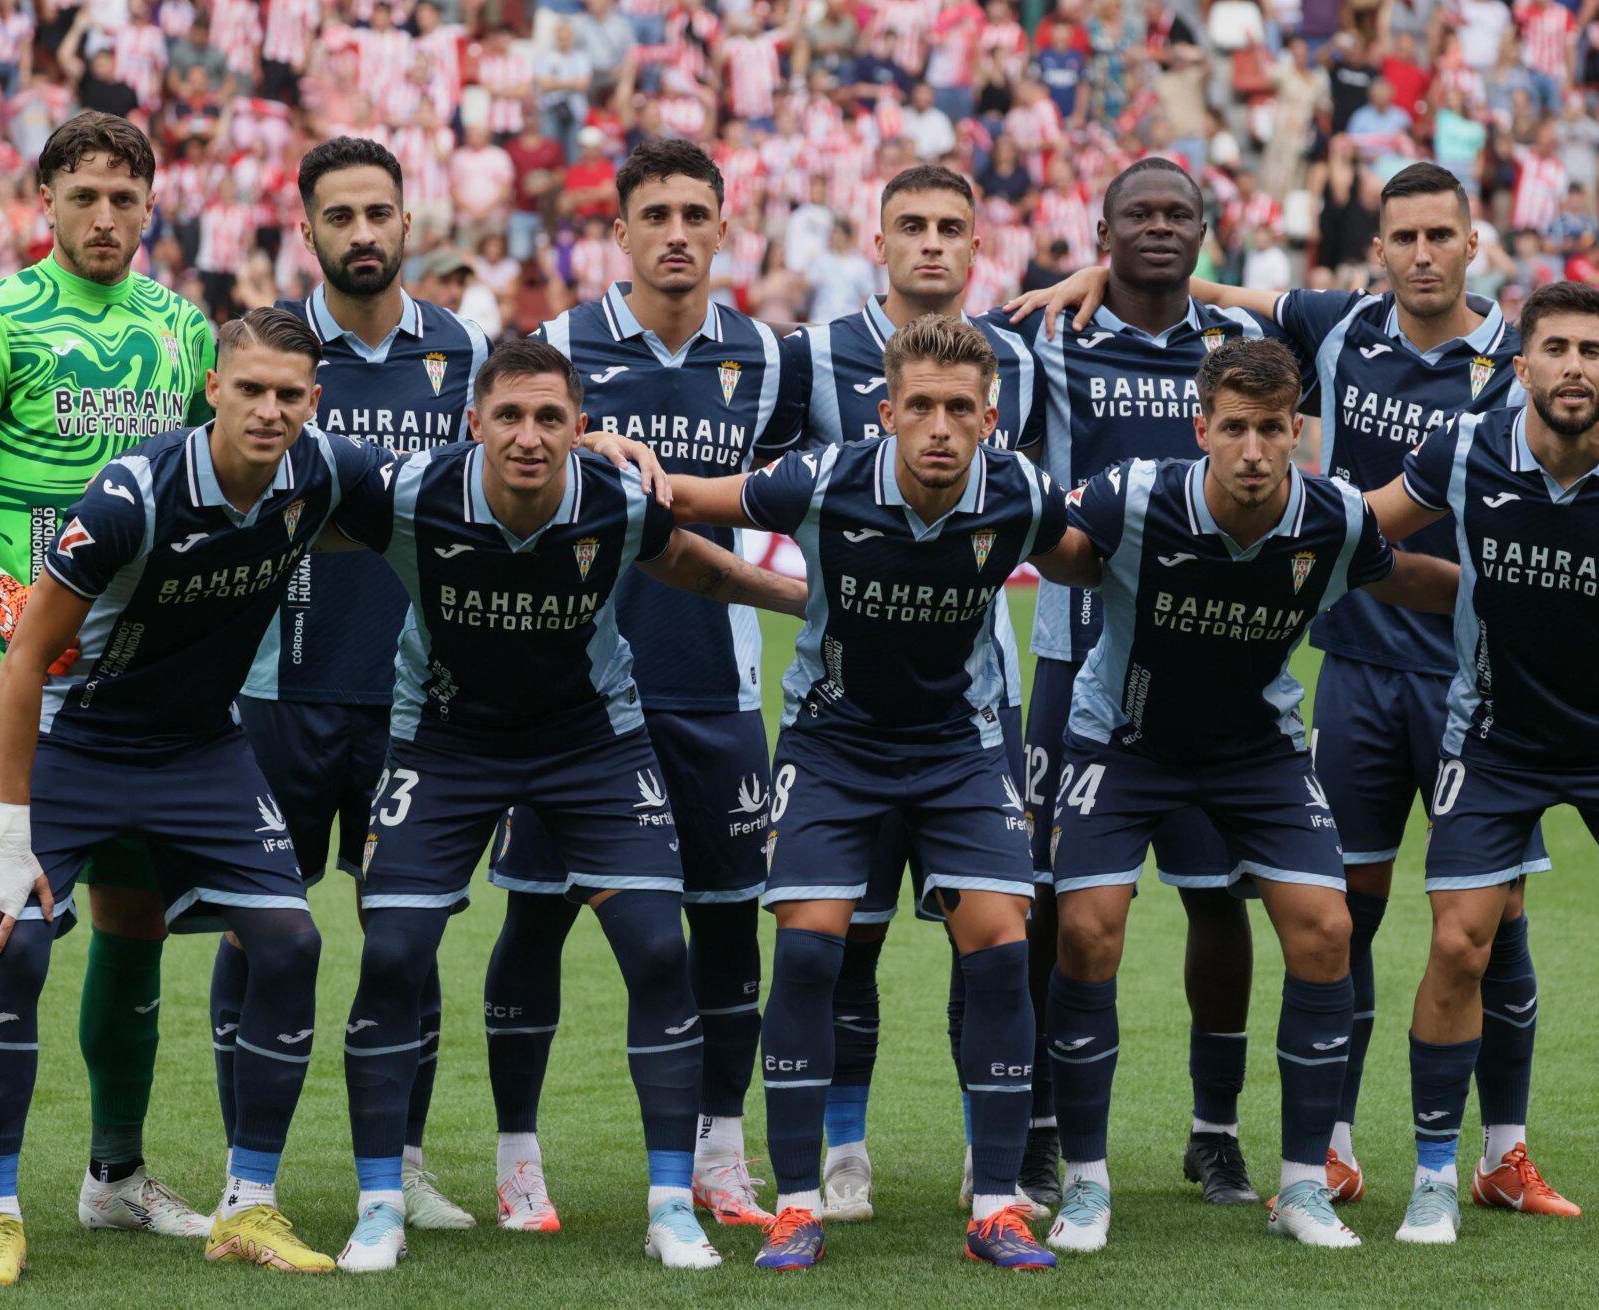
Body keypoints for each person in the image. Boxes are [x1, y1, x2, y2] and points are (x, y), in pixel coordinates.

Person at [1007, 161, 1569, 1214]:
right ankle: (1290, 1149)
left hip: (1457, 674)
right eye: (1402, 236)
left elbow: (1497, 505)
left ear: (1472, 242)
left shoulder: (1514, 360)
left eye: (1438, 234)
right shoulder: (1336, 327)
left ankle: (1482, 1148)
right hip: (1300, 668)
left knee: (1483, 915)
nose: (1420, 254)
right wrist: (1098, 270)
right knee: (1292, 913)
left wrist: (1537, 602)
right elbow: (1195, 284)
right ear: (1378, 250)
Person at [329, 337, 807, 1273]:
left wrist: (805, 599)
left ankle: (670, 1206)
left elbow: (700, 568)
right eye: (509, 416)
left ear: (580, 428)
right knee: (392, 954)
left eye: (551, 418)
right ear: (473, 424)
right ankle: (379, 1204)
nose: (529, 436)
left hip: (592, 745)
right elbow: (289, 525)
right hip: (445, 743)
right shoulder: (409, 493)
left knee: (659, 950)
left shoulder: (617, 499)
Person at [0, 307, 392, 1283]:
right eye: (251, 389)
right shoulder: (132, 494)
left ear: (313, 402)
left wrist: (588, 455)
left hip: (200, 748)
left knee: (290, 941)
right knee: (16, 940)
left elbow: (449, 497)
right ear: (213, 389)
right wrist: (11, 836)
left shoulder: (323, 471)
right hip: (78, 740)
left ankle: (249, 1205)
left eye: (289, 394)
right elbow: (25, 660)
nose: (269, 410)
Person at [669, 313, 1098, 1271]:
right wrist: (619, 455)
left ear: (990, 420)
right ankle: (796, 1206)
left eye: (960, 409)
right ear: (887, 413)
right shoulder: (822, 480)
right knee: (809, 949)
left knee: (1001, 950)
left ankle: (997, 1208)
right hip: (834, 744)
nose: (941, 427)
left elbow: (1090, 557)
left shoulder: (1019, 491)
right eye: (922, 407)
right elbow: (692, 495)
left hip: (959, 748)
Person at [1040, 337, 1459, 1252]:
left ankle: (1302, 1187)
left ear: (1298, 430)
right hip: (1124, 739)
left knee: (1327, 930)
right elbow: (1061, 552)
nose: (1255, 450)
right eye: (1235, 428)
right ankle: (1085, 1183)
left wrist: (1509, 604)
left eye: (1273, 428)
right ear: (1202, 430)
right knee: (1086, 931)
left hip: (1255, 751)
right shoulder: (1133, 497)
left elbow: (1405, 580)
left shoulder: (1333, 517)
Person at [1366, 281, 1599, 1247]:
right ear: (1521, 365)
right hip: (1493, 740)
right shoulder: (1464, 450)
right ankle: (1436, 1177)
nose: (1573, 367)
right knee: (1460, 944)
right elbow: (1365, 535)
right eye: (1555, 349)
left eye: (1591, 351)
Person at [0, 112, 216, 1263]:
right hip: (13, 680)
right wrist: (0, 592)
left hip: (139, 693)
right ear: (44, 200)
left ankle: (114, 1175)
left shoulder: (183, 330)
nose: (104, 216)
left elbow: (206, 490)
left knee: (135, 922)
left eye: (124, 197)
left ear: (151, 206)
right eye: (83, 194)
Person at [484, 138, 806, 1231]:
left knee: (726, 928)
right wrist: (587, 440)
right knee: (535, 918)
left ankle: (720, 1156)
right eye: (654, 215)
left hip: (716, 691)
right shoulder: (557, 350)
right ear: (618, 232)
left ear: (723, 229)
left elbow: (805, 480)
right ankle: (517, 1157)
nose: (675, 233)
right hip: (570, 697)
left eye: (694, 214)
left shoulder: (769, 359)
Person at [211, 138, 491, 1235]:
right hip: (277, 690)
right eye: (340, 215)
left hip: (417, 700)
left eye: (379, 213)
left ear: (408, 223)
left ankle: (402, 1164)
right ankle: (247, 1174)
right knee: (257, 933)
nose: (362, 233)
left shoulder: (465, 350)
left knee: (404, 937)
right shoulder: (269, 353)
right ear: (308, 228)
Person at [995, 157, 1281, 1211]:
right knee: (1052, 903)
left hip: (1217, 667)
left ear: (1203, 234)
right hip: (1077, 663)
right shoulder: (1048, 335)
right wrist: (1080, 284)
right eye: (1137, 216)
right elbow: (945, 362)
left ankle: (1216, 1133)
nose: (1159, 228)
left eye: (1178, 215)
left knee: (1217, 898)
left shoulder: (1239, 344)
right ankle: (1041, 1132)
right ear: (1100, 231)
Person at [777, 163, 1053, 1219]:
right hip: (844, 706)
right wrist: (796, 590)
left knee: (986, 935)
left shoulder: (1021, 358)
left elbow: (1057, 521)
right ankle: (841, 1153)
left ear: (976, 246)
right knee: (844, 938)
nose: (930, 243)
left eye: (950, 227)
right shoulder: (811, 356)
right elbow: (759, 491)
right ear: (878, 239)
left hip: (972, 700)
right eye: (911, 225)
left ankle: (988, 1166)